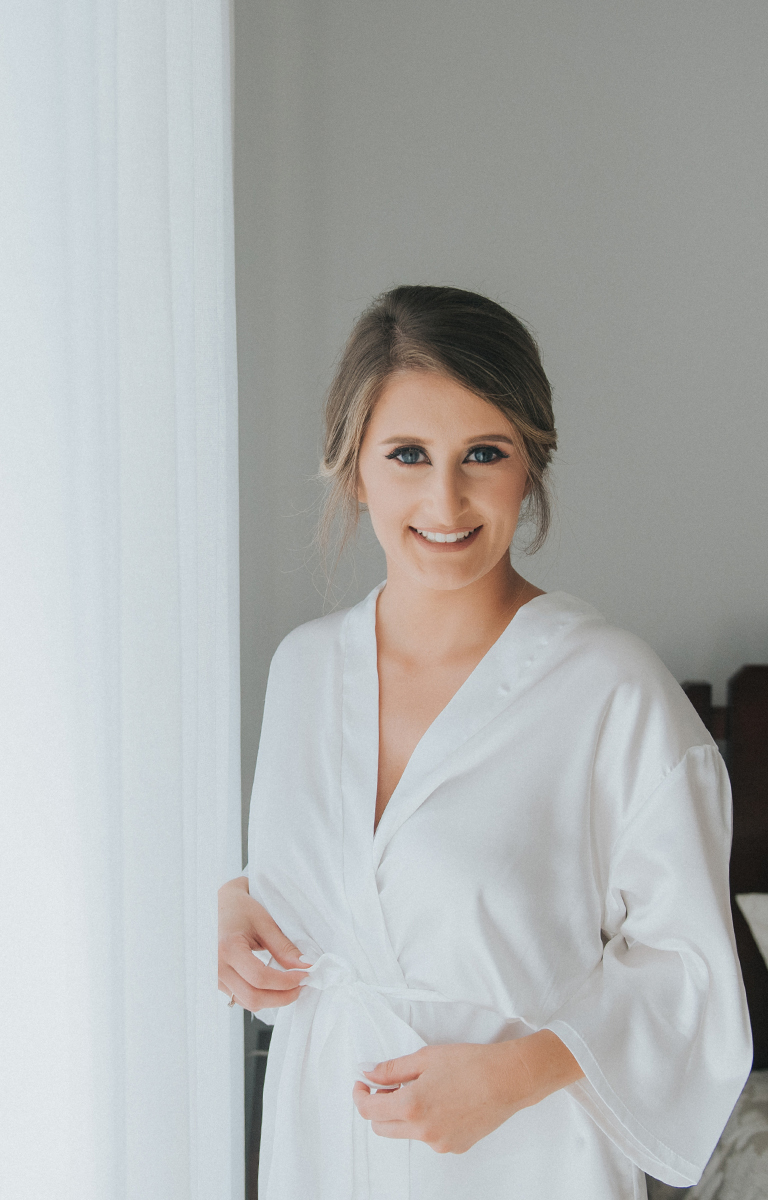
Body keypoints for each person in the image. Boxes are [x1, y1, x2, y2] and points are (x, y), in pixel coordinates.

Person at [218, 286, 751, 1200]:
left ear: (529, 467)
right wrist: (239, 900)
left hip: (526, 1157)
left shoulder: (611, 689)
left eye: (484, 453)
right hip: (323, 1143)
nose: (445, 497)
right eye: (408, 454)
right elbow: (349, 890)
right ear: (355, 468)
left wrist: (513, 1076)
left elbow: (692, 974)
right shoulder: (303, 671)